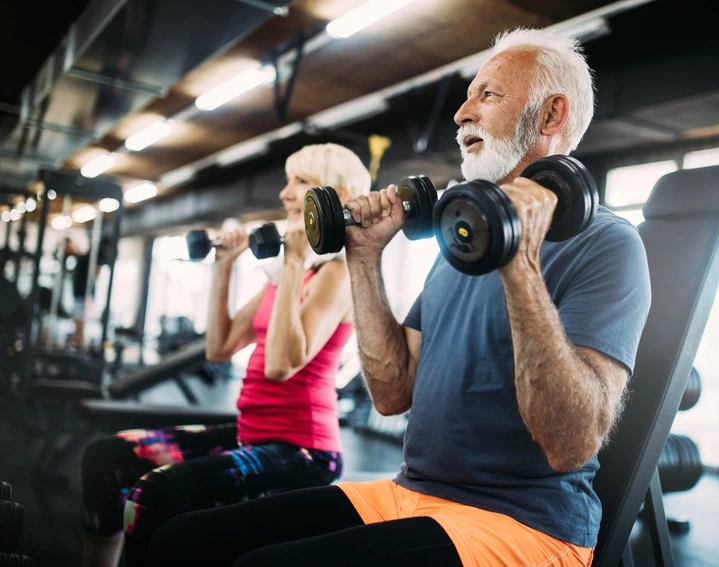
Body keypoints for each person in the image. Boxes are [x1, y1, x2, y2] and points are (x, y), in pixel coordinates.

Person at [143, 27, 652, 567]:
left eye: (488, 95)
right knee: (184, 540)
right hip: (410, 494)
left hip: (526, 525)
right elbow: (391, 393)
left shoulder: (609, 244)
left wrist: (521, 265)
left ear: (551, 116)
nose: (461, 113)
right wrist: (363, 257)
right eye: (468, 95)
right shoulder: (463, 243)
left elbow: (570, 443)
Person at [79, 143, 372, 567]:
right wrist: (225, 265)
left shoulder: (336, 273)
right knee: (107, 458)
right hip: (251, 434)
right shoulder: (287, 274)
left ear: (337, 197)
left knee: (156, 495)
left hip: (304, 453)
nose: (285, 194)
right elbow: (220, 348)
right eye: (288, 182)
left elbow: (280, 363)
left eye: (301, 183)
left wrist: (292, 264)